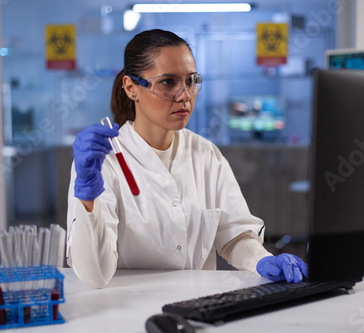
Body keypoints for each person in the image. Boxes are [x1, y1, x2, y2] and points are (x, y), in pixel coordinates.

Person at [66, 29, 308, 289]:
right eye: (168, 82)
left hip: (198, 307)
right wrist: (88, 198)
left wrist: (261, 260)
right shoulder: (103, 161)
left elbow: (234, 235)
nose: (185, 95)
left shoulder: (206, 154)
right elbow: (95, 275)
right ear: (131, 87)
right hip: (128, 312)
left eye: (191, 80)